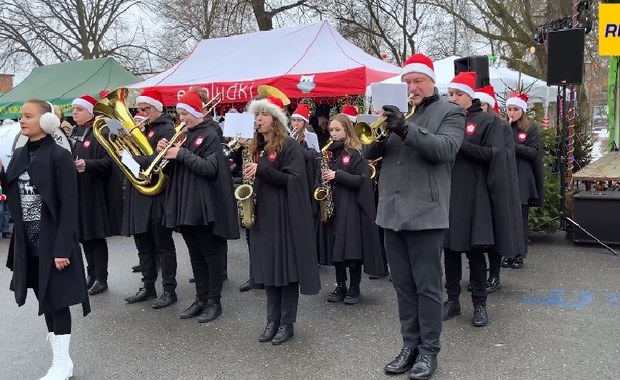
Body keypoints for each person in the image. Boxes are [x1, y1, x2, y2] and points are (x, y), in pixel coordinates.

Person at [364, 53, 465, 379]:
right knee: (403, 287)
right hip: (391, 214)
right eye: (407, 82)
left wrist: (405, 129)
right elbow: (367, 152)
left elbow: (445, 149)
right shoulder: (396, 114)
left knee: (428, 288)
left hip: (425, 214)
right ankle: (409, 345)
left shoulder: (451, 111)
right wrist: (379, 133)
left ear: (431, 80)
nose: (412, 87)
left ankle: (429, 352)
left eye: (417, 80)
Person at [3, 99, 90, 380]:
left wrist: (63, 248)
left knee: (58, 301)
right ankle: (59, 356)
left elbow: (69, 205)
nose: (22, 120)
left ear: (47, 121)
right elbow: (11, 188)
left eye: (28, 116)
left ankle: (62, 364)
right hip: (28, 243)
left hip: (54, 243)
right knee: (45, 301)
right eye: (21, 116)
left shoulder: (59, 156)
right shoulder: (20, 154)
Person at [442, 73, 524, 328]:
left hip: (476, 199)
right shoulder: (445, 120)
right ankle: (452, 300)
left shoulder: (488, 122)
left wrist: (460, 144)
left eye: (459, 94)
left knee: (475, 254)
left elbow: (494, 155)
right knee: (450, 253)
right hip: (449, 195)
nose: (453, 99)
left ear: (470, 96)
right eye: (450, 94)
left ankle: (479, 304)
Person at [243, 95, 320, 345]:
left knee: (286, 272)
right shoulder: (258, 147)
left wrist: (262, 171)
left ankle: (287, 323)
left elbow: (295, 180)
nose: (258, 119)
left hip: (285, 218)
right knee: (269, 270)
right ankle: (271, 320)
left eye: (264, 114)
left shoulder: (289, 146)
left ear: (275, 119)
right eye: (257, 115)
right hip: (264, 217)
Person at [158, 89, 239, 323]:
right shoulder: (185, 135)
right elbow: (171, 168)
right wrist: (164, 151)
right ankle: (201, 298)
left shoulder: (210, 134)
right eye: (179, 113)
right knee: (195, 255)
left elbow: (209, 168)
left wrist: (181, 153)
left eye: (184, 113)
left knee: (210, 255)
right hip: (185, 203)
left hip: (203, 206)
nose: (180, 118)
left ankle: (214, 301)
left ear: (196, 112)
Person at [317, 113, 385, 305]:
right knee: (337, 249)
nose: (333, 133)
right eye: (331, 130)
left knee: (352, 251)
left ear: (347, 130)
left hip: (351, 208)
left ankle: (355, 287)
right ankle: (341, 285)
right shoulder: (329, 153)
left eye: (337, 129)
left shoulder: (355, 153)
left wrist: (336, 175)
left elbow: (362, 181)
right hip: (334, 207)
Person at [123, 89, 178, 309]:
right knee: (143, 245)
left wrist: (131, 159)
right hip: (139, 194)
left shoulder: (166, 128)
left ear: (157, 108)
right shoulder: (145, 129)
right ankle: (148, 286)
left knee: (162, 246)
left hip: (157, 195)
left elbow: (160, 159)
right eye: (140, 109)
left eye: (147, 109)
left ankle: (169, 289)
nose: (142, 113)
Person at [70, 94, 122, 295]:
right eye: (73, 109)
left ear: (90, 111)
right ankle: (91, 273)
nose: (74, 112)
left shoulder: (100, 131)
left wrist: (88, 165)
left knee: (95, 236)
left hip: (95, 192)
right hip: (78, 191)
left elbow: (111, 162)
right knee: (83, 236)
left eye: (79, 109)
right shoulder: (75, 131)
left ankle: (101, 277)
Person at [474, 84, 523, 292]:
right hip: (477, 186)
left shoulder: (500, 127)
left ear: (490, 106)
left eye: (484, 104)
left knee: (495, 233)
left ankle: (494, 275)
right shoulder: (473, 124)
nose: (481, 107)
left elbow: (503, 156)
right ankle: (478, 275)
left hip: (495, 186)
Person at [501, 92, 544, 269]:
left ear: (522, 111)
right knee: (507, 218)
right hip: (505, 176)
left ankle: (519, 254)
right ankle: (507, 253)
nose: (512, 113)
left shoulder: (530, 128)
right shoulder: (503, 127)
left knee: (520, 218)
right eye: (509, 109)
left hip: (522, 178)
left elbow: (533, 152)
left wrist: (513, 147)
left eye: (515, 109)